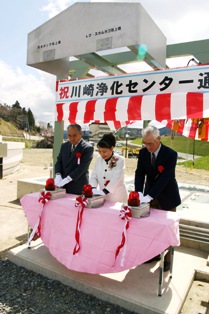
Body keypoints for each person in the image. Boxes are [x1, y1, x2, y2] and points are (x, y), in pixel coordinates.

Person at [134, 125, 181, 271]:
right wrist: (139, 193)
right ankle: (152, 253)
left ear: (159, 139)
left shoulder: (170, 154)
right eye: (145, 143)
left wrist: (149, 196)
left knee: (168, 229)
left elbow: (165, 178)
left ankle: (168, 257)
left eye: (151, 143)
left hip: (167, 196)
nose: (148, 147)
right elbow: (139, 173)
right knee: (150, 228)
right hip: (149, 195)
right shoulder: (143, 153)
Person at [54, 124, 94, 195]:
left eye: (74, 135)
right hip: (62, 187)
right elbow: (59, 161)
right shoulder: (64, 146)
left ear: (80, 133)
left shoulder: (87, 148)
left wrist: (67, 179)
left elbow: (82, 168)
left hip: (78, 187)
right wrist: (58, 174)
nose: (72, 138)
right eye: (69, 135)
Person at [90, 133, 128, 203]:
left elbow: (116, 178)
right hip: (103, 197)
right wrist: (93, 188)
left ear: (112, 148)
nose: (102, 154)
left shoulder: (120, 160)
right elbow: (94, 176)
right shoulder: (98, 159)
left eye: (104, 151)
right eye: (99, 151)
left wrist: (104, 191)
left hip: (117, 198)